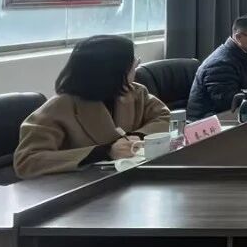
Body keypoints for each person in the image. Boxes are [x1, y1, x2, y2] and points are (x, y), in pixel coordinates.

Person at [14, 35, 170, 179]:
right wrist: (104, 152)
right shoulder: (59, 108)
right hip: (79, 186)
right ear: (113, 72)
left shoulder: (134, 92)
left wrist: (139, 136)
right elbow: (27, 160)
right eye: (133, 65)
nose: (135, 70)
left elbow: (164, 116)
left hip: (128, 176)